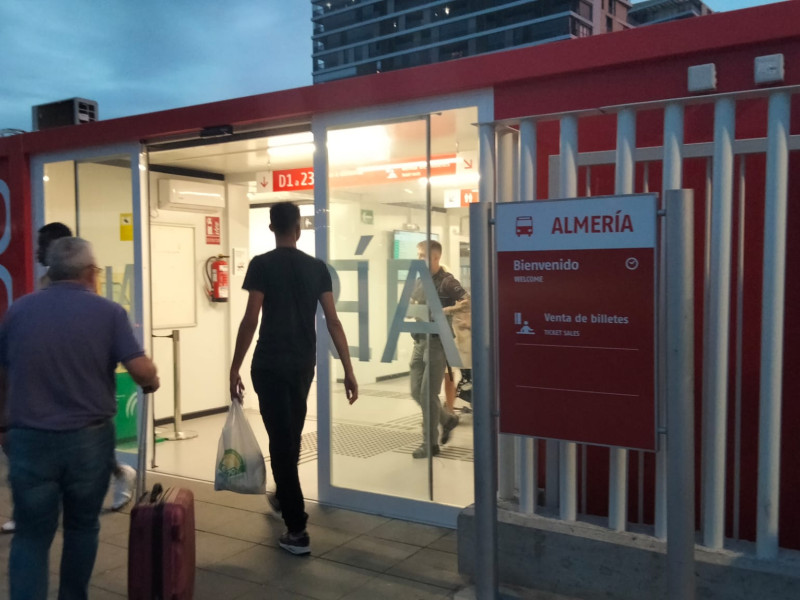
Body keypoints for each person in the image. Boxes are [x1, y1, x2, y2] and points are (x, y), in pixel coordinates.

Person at [0, 237, 159, 600]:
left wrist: (3, 424)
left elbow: (2, 373)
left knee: (31, 535)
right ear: (90, 272)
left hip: (29, 439)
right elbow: (139, 370)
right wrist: (152, 378)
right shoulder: (109, 312)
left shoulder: (19, 311)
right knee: (82, 528)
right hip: (87, 443)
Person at [229, 202, 358, 556]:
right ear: (298, 229)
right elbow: (333, 321)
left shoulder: (261, 264)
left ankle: (297, 528)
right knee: (290, 437)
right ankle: (285, 497)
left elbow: (250, 319)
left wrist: (234, 366)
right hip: (303, 365)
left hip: (269, 365)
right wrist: (348, 369)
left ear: (272, 228)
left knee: (281, 441)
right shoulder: (317, 268)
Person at [409, 240, 465, 458]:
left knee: (427, 393)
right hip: (419, 340)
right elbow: (414, 301)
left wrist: (446, 311)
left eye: (422, 255)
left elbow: (468, 301)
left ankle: (429, 444)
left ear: (435, 258)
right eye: (418, 254)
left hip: (437, 342)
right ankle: (448, 419)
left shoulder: (447, 282)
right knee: (416, 391)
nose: (419, 259)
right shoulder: (420, 280)